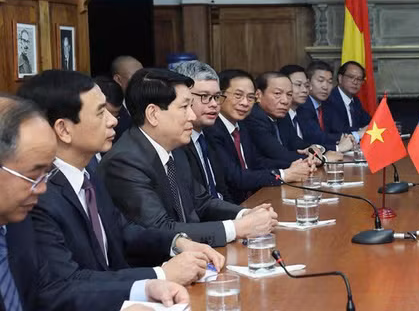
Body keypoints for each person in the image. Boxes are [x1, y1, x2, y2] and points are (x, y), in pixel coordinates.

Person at [0, 94, 191, 311]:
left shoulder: (15, 219)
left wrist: (146, 288)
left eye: (46, 173)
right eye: (34, 174)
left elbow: (51, 293)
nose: (41, 189)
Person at [18, 70, 222, 286]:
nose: (113, 121)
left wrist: (178, 242)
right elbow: (69, 283)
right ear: (63, 129)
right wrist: (159, 276)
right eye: (100, 113)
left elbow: (123, 231)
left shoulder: (89, 176)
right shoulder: (40, 195)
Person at [98, 68, 278, 247]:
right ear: (153, 114)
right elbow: (160, 228)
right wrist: (236, 228)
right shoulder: (125, 161)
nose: (192, 116)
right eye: (185, 107)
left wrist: (245, 214)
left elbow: (201, 202)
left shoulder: (174, 147)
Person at [205, 69, 311, 204]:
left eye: (250, 97)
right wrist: (284, 174)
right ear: (219, 96)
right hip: (232, 206)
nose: (245, 103)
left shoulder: (242, 125)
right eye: (238, 95)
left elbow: (257, 162)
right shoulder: (212, 129)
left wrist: (297, 165)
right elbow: (236, 177)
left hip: (253, 200)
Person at [244, 71, 338, 169]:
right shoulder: (253, 117)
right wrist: (322, 159)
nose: (285, 101)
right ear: (258, 95)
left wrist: (312, 148)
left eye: (289, 94)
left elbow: (296, 143)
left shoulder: (282, 115)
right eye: (277, 93)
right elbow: (280, 155)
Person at [171, 61, 234, 202]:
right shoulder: (175, 143)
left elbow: (222, 190)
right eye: (204, 96)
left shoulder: (211, 133)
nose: (213, 104)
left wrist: (241, 213)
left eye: (217, 97)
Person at [297, 60, 355, 153]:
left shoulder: (326, 104)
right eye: (320, 81)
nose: (325, 86)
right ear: (308, 83)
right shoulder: (303, 105)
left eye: (329, 82)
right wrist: (340, 142)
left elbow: (338, 128)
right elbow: (316, 137)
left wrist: (348, 136)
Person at [327, 61, 371, 137]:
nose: (355, 82)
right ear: (340, 78)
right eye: (351, 77)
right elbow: (338, 130)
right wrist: (361, 131)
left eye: (359, 79)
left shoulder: (355, 101)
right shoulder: (330, 99)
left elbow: (370, 122)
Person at [110, 55, 143, 143]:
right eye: (135, 77)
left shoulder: (149, 104)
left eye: (143, 76)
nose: (142, 82)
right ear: (118, 79)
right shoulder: (111, 109)